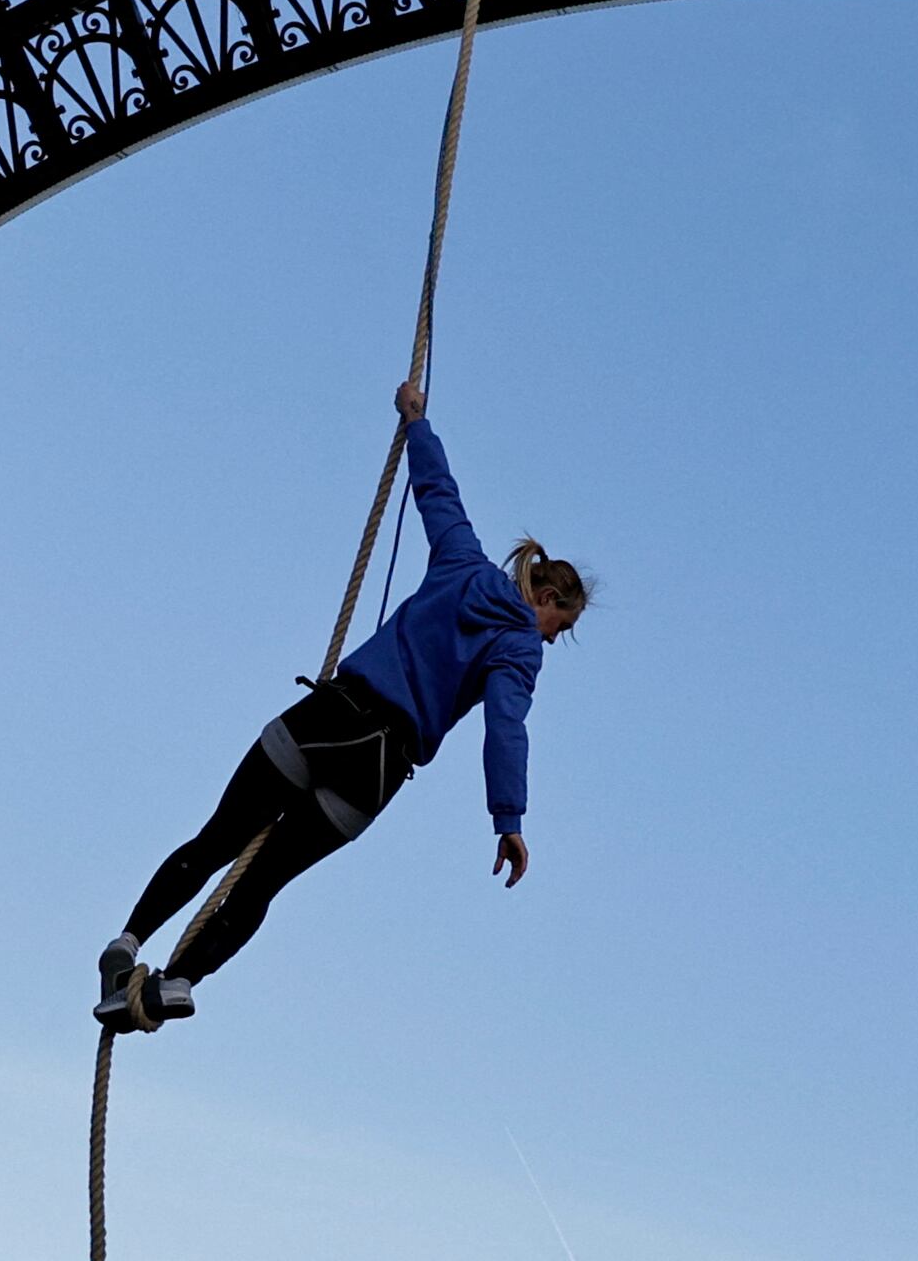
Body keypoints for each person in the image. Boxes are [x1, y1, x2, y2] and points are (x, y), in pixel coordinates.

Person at [93, 380, 592, 1031]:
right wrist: (508, 819)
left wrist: (416, 421)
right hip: (378, 765)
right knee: (260, 882)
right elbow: (505, 729)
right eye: (564, 623)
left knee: (219, 836)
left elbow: (437, 492)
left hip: (332, 719)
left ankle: (128, 941)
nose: (556, 635)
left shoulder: (461, 561)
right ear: (548, 601)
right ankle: (180, 981)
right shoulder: (521, 647)